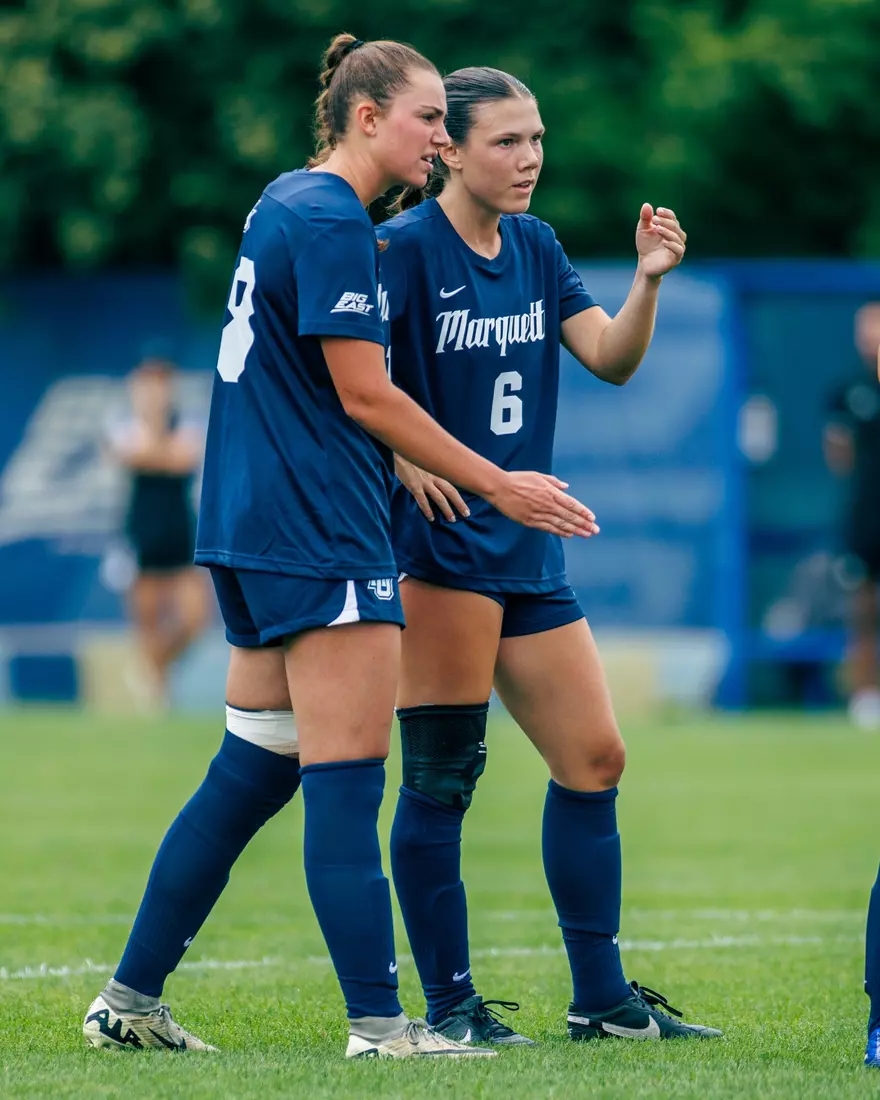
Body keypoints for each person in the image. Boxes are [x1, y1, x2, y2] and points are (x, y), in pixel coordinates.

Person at [82, 36, 595, 1059]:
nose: (440, 140)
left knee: (255, 765)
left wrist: (402, 460)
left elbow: (315, 377)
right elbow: (364, 390)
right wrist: (498, 481)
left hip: (246, 523)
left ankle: (128, 999)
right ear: (366, 118)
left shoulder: (286, 198)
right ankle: (382, 1026)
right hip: (314, 528)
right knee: (348, 776)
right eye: (426, 122)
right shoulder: (330, 221)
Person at [378, 66, 722, 1045]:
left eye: (536, 139)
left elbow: (610, 357)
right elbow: (342, 382)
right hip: (442, 545)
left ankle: (600, 996)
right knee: (443, 776)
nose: (528, 159)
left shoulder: (534, 245)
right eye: (505, 141)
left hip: (528, 542)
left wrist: (647, 281)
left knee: (594, 755)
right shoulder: (401, 248)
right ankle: (449, 1005)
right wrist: (402, 453)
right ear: (447, 147)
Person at [106, 356, 209, 709]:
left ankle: (156, 669)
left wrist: (154, 452)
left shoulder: (186, 422)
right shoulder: (124, 423)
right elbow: (129, 455)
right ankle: (158, 698)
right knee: (146, 623)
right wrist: (157, 447)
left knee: (195, 619)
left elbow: (184, 458)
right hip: (142, 534)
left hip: (179, 533)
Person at [823, 303, 880, 729]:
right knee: (862, 606)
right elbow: (838, 455)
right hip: (865, 514)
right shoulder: (849, 391)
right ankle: (865, 696)